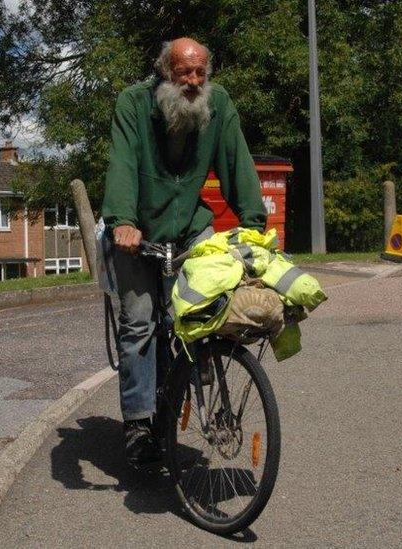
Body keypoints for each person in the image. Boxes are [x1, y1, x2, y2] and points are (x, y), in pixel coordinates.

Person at [101, 37, 267, 466]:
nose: (193, 82)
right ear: (164, 72)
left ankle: (200, 360)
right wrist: (123, 220)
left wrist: (252, 224)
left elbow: (237, 161)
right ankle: (138, 422)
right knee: (139, 321)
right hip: (137, 232)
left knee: (205, 302)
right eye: (183, 73)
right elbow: (121, 164)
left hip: (190, 225)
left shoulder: (217, 104)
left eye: (200, 73)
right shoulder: (133, 104)